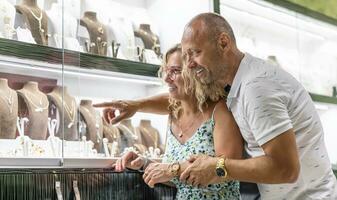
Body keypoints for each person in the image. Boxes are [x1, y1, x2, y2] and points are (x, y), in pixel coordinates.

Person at [95, 13, 337, 199]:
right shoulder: (237, 83)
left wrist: (217, 167)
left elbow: (286, 169)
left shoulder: (255, 89)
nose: (189, 65)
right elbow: (182, 97)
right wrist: (137, 105)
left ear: (223, 43)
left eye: (194, 53)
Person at [113, 44, 243, 199]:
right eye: (166, 71)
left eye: (175, 71)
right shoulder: (173, 115)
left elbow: (228, 170)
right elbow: (177, 180)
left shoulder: (220, 111)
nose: (167, 79)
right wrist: (145, 164)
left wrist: (171, 169)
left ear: (196, 73)